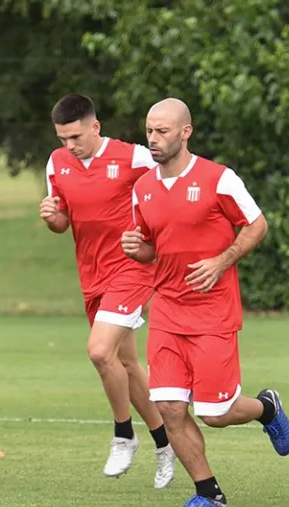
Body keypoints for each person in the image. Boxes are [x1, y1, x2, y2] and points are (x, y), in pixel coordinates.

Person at [121, 98, 289, 507]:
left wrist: (222, 260)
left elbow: (257, 225)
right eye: (149, 131)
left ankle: (267, 409)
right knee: (169, 408)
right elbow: (151, 248)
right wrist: (136, 248)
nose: (153, 139)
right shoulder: (142, 188)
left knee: (215, 414)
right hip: (164, 311)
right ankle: (209, 494)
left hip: (213, 312)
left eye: (162, 131)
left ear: (186, 132)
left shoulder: (219, 179)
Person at [40, 94, 175, 488]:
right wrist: (53, 217)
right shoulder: (57, 162)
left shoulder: (133, 157)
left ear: (95, 127)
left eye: (76, 136)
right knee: (127, 365)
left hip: (131, 270)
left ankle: (123, 434)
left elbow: (173, 178)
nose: (70, 145)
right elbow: (62, 222)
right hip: (91, 275)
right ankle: (164, 442)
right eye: (63, 138)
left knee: (99, 351)